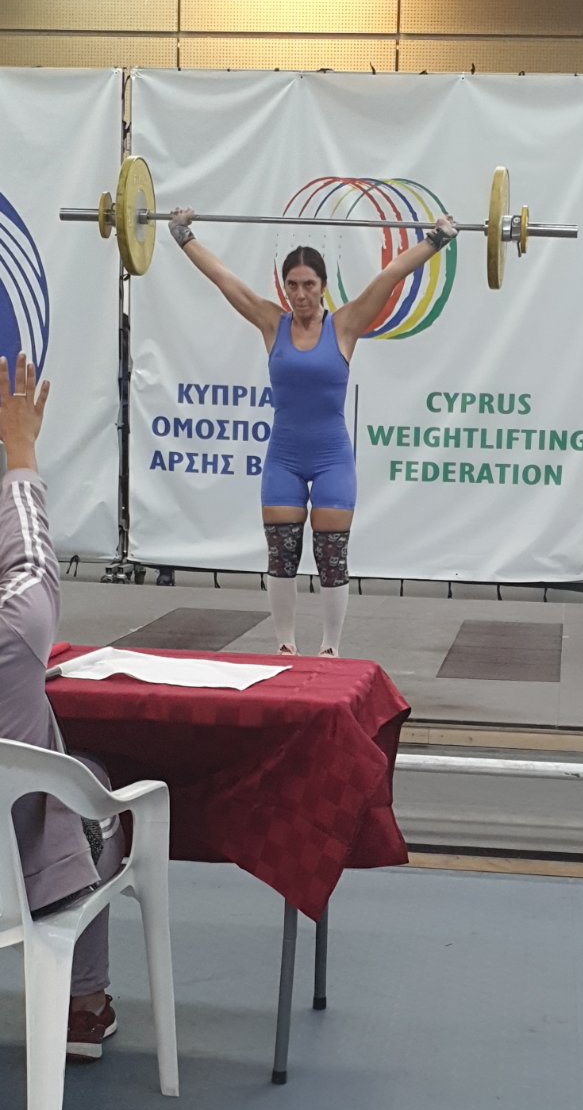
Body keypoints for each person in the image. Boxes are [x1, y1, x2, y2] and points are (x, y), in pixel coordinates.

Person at [168, 206, 457, 657]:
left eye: (309, 284)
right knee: (281, 555)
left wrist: (436, 240)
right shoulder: (272, 323)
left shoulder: (345, 325)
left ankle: (329, 649)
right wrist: (183, 235)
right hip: (283, 458)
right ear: (284, 287)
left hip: (331, 459)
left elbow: (391, 275)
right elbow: (224, 279)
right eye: (293, 285)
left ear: (323, 286)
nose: (300, 294)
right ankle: (285, 645)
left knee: (331, 556)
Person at [0, 353, 124, 1059]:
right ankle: (82, 1003)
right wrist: (20, 449)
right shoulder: (15, 627)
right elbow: (31, 563)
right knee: (88, 782)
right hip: (17, 879)